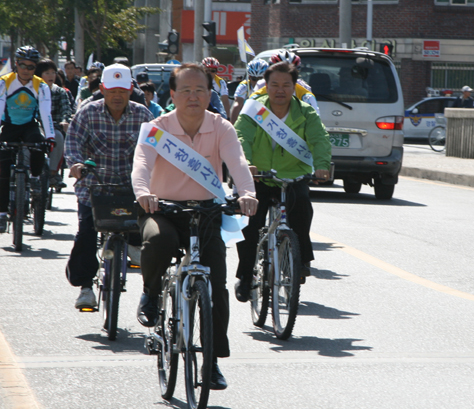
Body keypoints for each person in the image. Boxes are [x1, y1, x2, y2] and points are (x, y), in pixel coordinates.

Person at [132, 62, 258, 391]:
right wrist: (144, 193)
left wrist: (247, 193)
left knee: (216, 283)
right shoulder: (156, 128)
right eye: (185, 90)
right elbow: (142, 163)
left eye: (200, 89)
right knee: (158, 241)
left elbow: (239, 163)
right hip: (161, 208)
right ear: (172, 95)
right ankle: (150, 292)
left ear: (209, 94)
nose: (193, 96)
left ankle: (212, 362)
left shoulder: (221, 127)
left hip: (206, 212)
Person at [233, 61, 332, 303]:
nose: (280, 90)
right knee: (249, 222)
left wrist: (321, 165)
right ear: (266, 86)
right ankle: (245, 276)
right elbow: (240, 135)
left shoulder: (306, 113)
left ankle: (300, 262)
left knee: (303, 211)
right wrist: (247, 162)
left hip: (293, 175)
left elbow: (320, 139)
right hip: (261, 176)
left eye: (286, 85)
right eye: (274, 84)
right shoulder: (253, 110)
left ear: (294, 87)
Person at [65, 64, 153, 309]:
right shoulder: (87, 113)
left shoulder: (143, 115)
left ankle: (149, 289)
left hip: (131, 188)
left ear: (130, 90)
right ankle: (85, 287)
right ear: (102, 89)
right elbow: (73, 144)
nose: (117, 96)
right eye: (112, 90)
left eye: (123, 91)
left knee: (147, 232)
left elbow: (156, 148)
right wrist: (76, 165)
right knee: (86, 234)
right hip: (94, 188)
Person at [0, 46, 55, 232]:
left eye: (31, 67)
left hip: (30, 125)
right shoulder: (4, 82)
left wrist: (50, 136)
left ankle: (35, 179)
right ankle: (1, 213)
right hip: (9, 127)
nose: (26, 70)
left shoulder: (42, 86)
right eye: (22, 65)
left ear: (35, 68)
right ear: (16, 64)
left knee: (38, 145)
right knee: (3, 169)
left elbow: (46, 113)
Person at [34, 59, 73, 187]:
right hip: (35, 127)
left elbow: (65, 110)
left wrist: (64, 121)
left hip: (53, 127)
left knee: (58, 137)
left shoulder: (60, 92)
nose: (51, 76)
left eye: (53, 72)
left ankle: (53, 173)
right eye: (47, 73)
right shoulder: (32, 90)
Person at [251, 50, 320, 113]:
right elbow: (250, 114)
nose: (280, 90)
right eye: (275, 85)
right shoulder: (260, 85)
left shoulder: (304, 89)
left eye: (286, 85)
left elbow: (314, 116)